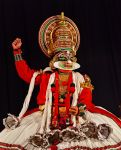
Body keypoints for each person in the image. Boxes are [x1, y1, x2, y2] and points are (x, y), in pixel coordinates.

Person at [0, 12, 121, 150]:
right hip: (47, 118)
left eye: (69, 58)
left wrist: (79, 108)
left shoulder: (81, 78)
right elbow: (26, 74)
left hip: (75, 118)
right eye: (62, 58)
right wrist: (17, 52)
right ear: (55, 60)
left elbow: (86, 98)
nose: (66, 61)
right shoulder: (46, 75)